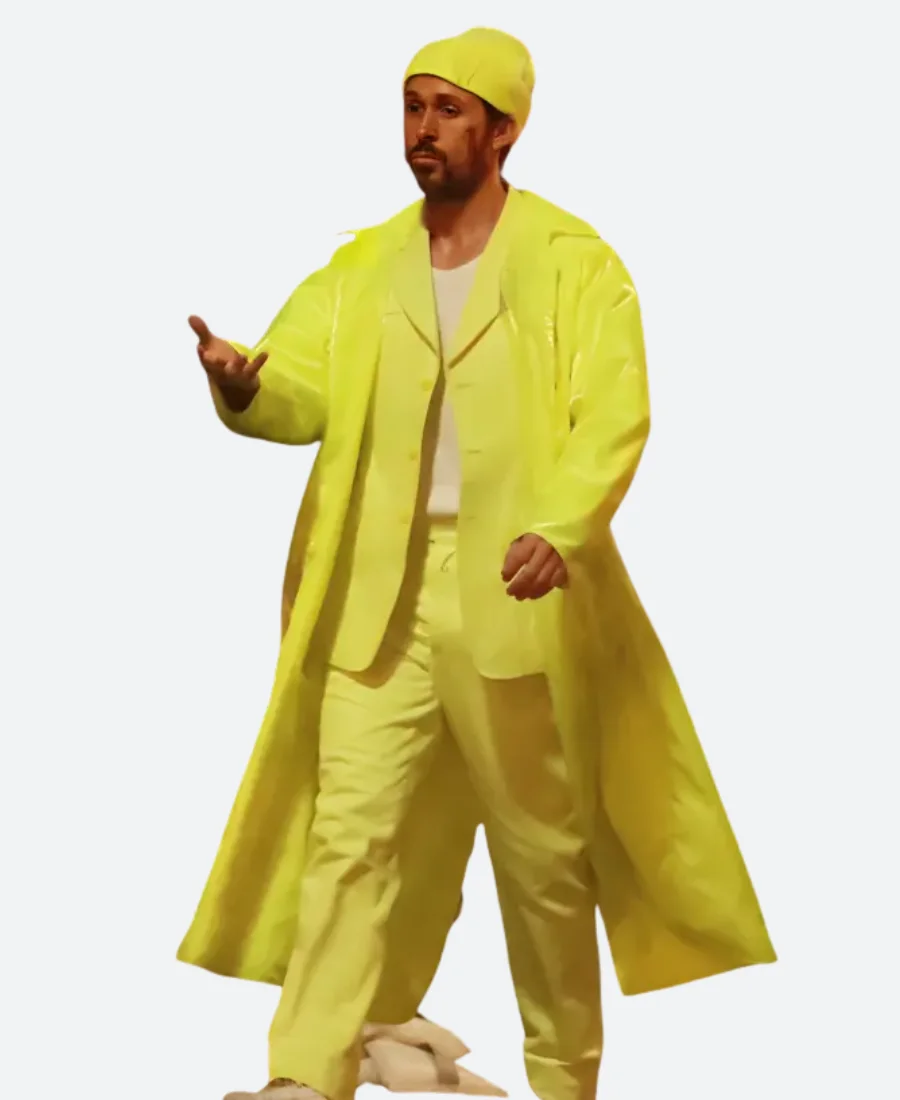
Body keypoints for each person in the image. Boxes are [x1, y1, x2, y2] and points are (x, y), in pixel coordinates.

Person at [179, 25, 776, 1100]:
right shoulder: (363, 266)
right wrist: (243, 386)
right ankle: (306, 1074)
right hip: (380, 594)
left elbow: (614, 413)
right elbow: (297, 385)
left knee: (542, 858)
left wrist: (561, 525)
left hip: (512, 592)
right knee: (348, 839)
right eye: (412, 107)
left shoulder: (572, 262)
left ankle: (564, 1077)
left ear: (504, 130)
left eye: (448, 110)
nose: (423, 130)